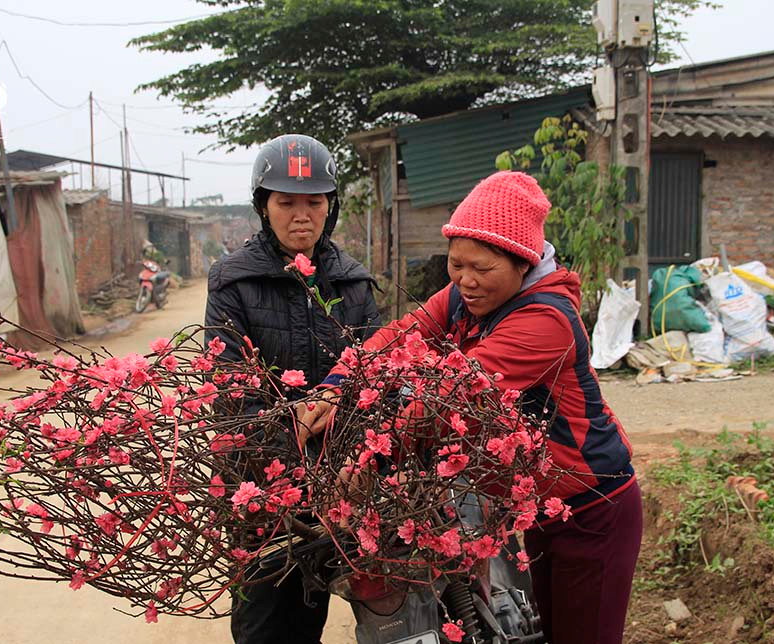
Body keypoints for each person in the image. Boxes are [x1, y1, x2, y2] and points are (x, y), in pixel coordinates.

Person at [298, 171, 642, 644]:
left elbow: (446, 396)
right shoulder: (465, 297)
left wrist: (369, 459)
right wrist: (335, 387)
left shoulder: (547, 321)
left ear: (522, 262)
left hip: (591, 508)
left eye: (481, 267)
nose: (465, 280)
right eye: (456, 265)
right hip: (536, 506)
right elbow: (399, 336)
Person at [204, 133, 382, 644]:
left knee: (307, 622)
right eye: (286, 202)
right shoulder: (232, 281)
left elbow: (371, 375)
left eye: (314, 202)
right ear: (264, 206)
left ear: (331, 207)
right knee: (259, 623)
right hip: (256, 487)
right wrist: (287, 449)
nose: (301, 215)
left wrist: (348, 466)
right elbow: (233, 392)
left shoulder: (351, 283)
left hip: (329, 491)